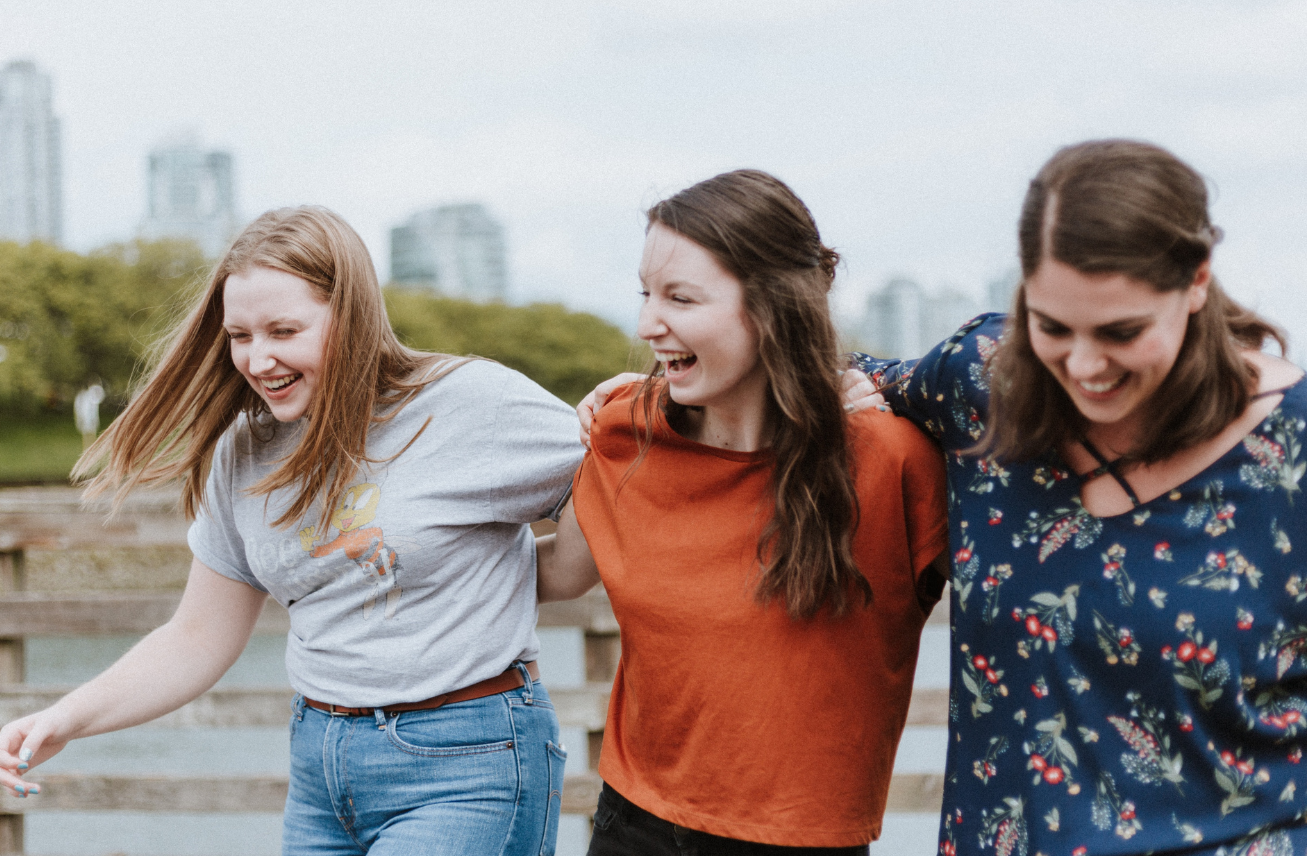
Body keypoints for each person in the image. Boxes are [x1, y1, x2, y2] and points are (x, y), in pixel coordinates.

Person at [0, 207, 584, 856]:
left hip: (468, 762)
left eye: (284, 330)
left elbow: (614, 478)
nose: (258, 358)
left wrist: (535, 572)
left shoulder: (468, 404)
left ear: (350, 317)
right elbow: (197, 636)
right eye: (239, 335)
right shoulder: (243, 451)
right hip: (322, 773)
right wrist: (64, 719)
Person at [846, 140, 1305, 856]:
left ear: (1196, 281)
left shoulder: (1294, 452)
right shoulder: (983, 382)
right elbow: (822, 379)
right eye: (1052, 327)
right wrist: (645, 405)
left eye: (1121, 332)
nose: (1085, 366)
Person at [538, 169, 950, 855]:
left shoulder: (892, 459)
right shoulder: (624, 432)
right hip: (631, 827)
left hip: (804, 842)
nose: (647, 324)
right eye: (646, 294)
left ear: (773, 307)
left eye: (681, 297)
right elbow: (555, 573)